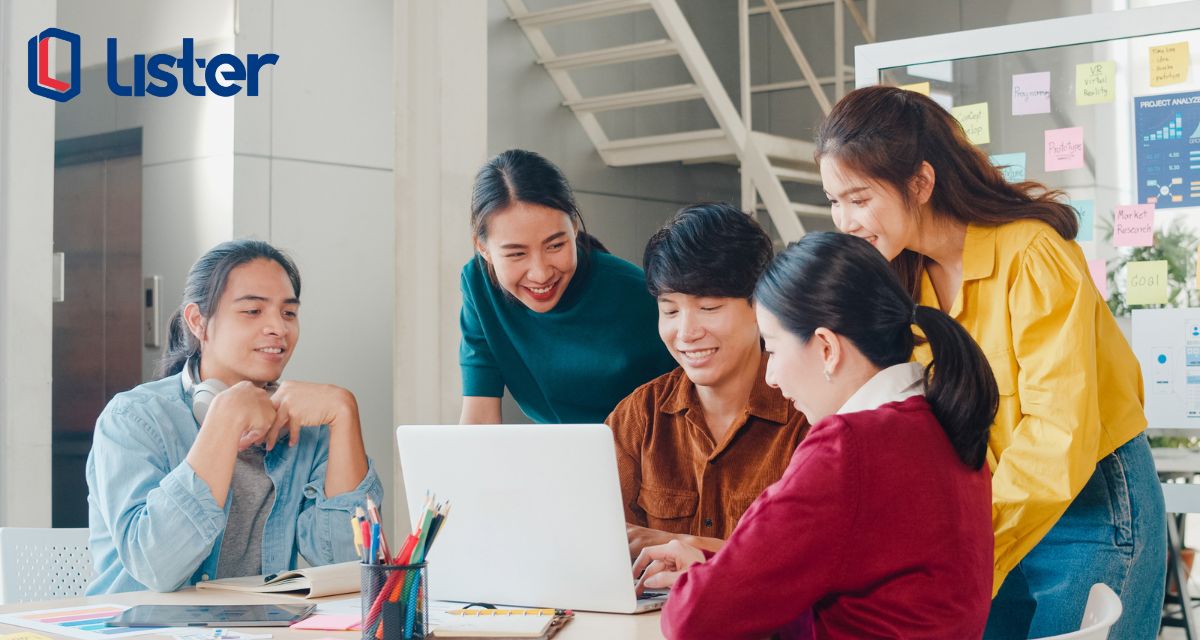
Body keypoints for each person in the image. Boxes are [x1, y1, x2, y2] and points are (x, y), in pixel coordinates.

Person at [815, 85, 1166, 638]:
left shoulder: (1031, 254)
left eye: (860, 199)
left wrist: (968, 541)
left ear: (921, 182)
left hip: (1090, 507)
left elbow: (1059, 432)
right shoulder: (903, 280)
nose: (846, 221)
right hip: (993, 510)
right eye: (835, 202)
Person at [634, 232, 997, 639]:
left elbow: (693, 620)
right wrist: (707, 569)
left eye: (772, 348)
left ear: (826, 347)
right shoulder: (942, 421)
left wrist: (698, 583)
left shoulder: (848, 448)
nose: (770, 377)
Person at [86, 240, 382, 594]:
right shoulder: (134, 419)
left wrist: (344, 413)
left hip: (260, 629)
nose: (278, 328)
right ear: (198, 321)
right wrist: (223, 421)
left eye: (288, 313)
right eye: (253, 311)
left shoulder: (308, 426)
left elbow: (355, 570)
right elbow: (156, 566)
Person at [607, 203, 809, 557]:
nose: (685, 333)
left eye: (709, 308)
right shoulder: (639, 417)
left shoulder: (808, 415)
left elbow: (817, 562)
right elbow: (592, 536)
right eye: (670, 310)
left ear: (760, 307)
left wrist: (699, 551)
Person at [459, 149, 676, 424]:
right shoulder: (480, 286)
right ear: (483, 248)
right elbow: (479, 422)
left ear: (574, 227)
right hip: (558, 458)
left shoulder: (639, 294)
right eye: (516, 254)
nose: (540, 274)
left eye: (555, 245)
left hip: (644, 456)